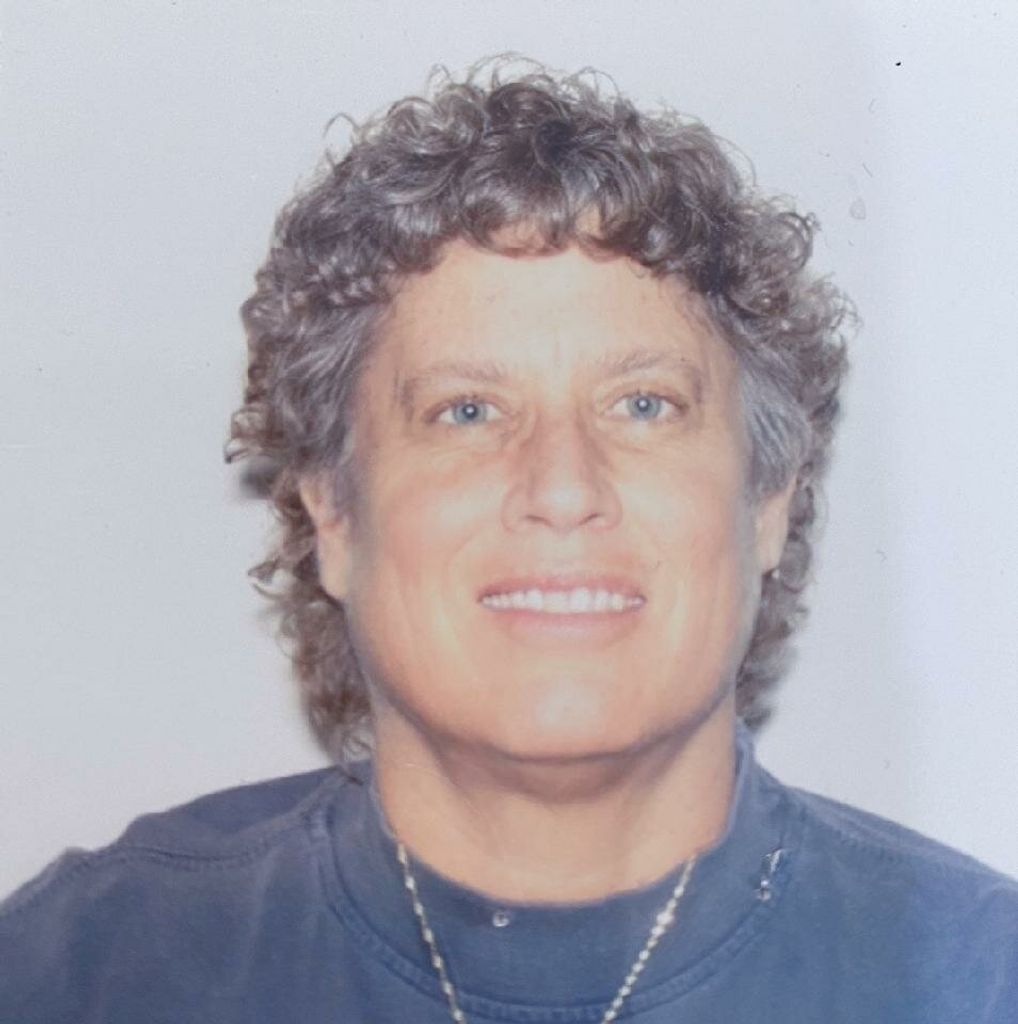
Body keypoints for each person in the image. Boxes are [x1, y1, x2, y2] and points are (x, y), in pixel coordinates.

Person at [2, 59, 1015, 1023]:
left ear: (767, 506)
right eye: (468, 411)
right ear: (333, 516)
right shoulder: (93, 973)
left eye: (644, 404)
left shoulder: (975, 980)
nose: (563, 488)